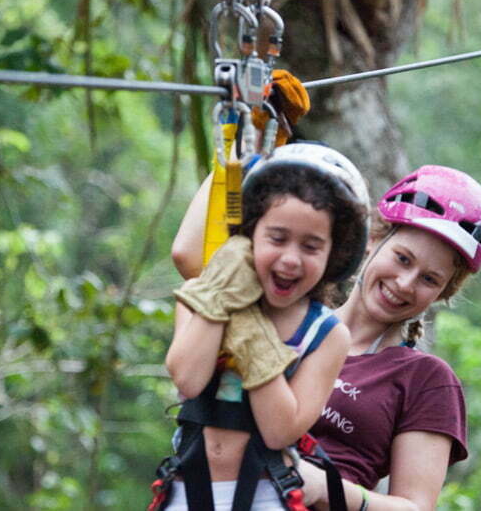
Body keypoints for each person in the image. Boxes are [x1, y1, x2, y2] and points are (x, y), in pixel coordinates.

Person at [172, 162, 481, 511]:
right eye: (402, 259)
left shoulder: (425, 380)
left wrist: (329, 489)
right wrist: (236, 151)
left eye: (429, 279)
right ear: (373, 239)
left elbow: (415, 506)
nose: (405, 283)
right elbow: (191, 260)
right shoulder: (286, 312)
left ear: (443, 293)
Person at [159, 143, 371, 510]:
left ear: (333, 255)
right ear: (249, 235)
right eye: (277, 238)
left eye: (311, 246)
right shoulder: (202, 295)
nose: (290, 259)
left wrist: (249, 331)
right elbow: (189, 379)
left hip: (266, 492)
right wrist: (222, 296)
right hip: (186, 488)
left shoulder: (326, 334)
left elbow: (279, 430)